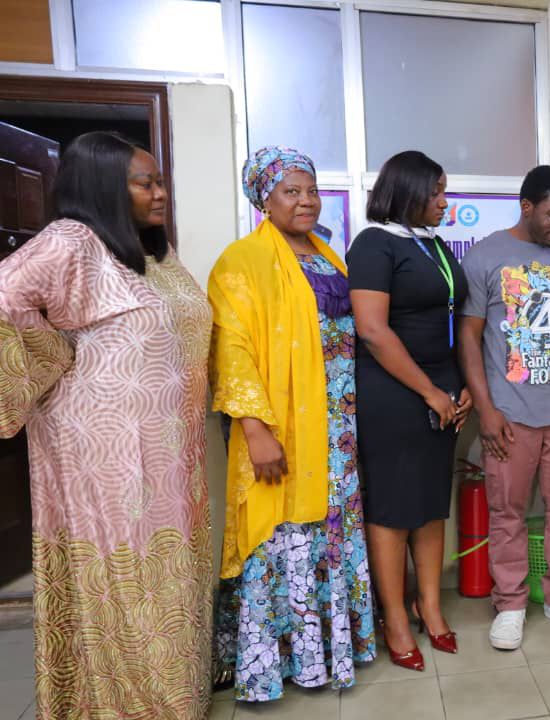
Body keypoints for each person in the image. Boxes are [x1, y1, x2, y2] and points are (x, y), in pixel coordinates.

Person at [0, 131, 213, 718]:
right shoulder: (71, 241)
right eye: (144, 183)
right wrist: (53, 354)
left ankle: (178, 699)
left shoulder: (152, 252)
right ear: (102, 186)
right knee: (129, 580)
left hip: (172, 452)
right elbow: (4, 297)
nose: (159, 192)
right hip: (105, 453)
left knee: (171, 578)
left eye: (160, 181)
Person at [208, 146, 376, 701]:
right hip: (282, 427)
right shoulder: (241, 262)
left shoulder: (331, 257)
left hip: (338, 430)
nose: (306, 201)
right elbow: (231, 350)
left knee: (332, 530)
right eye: (291, 191)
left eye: (311, 190)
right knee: (284, 534)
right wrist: (255, 430)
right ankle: (279, 663)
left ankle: (330, 651)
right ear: (265, 199)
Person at [458, 165, 550, 650]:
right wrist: (486, 409)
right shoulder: (485, 255)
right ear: (526, 206)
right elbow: (469, 337)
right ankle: (511, 603)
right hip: (510, 412)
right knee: (508, 511)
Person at [348, 150, 471, 671]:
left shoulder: (434, 244)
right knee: (394, 507)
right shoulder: (373, 243)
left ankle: (430, 606)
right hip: (393, 392)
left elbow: (453, 321)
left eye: (445, 191)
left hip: (442, 388)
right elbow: (373, 330)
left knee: (430, 503)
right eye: (435, 192)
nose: (444, 201)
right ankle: (396, 618)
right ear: (407, 191)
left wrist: (458, 385)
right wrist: (430, 392)